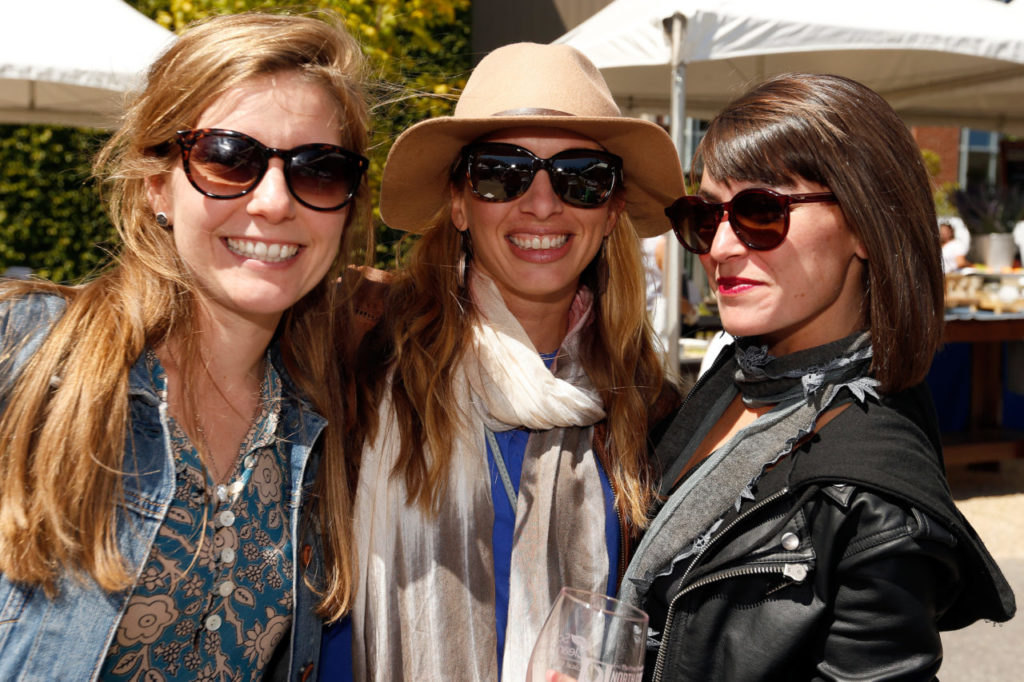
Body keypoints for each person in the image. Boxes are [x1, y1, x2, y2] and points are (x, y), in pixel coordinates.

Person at [0, 12, 370, 681]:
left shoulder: (321, 433)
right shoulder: (27, 355)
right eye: (229, 158)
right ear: (156, 183)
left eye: (319, 170)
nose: (275, 201)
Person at [623, 73, 1016, 681]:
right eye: (704, 215)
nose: (720, 247)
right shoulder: (743, 372)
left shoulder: (876, 496)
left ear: (865, 224)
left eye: (759, 211)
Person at [324, 42, 684, 682]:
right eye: (500, 173)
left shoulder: (647, 407)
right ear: (459, 204)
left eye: (581, 177)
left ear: (610, 212)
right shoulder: (359, 356)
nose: (543, 204)